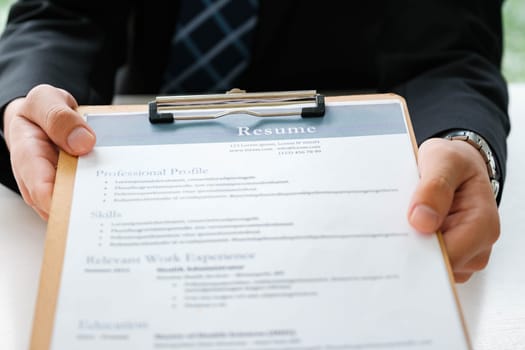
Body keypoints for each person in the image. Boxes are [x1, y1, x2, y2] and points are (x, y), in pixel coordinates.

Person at [0, 1, 510, 283]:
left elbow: (450, 53)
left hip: (338, 182)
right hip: (140, 172)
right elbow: (61, 15)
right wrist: (29, 103)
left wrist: (464, 143)